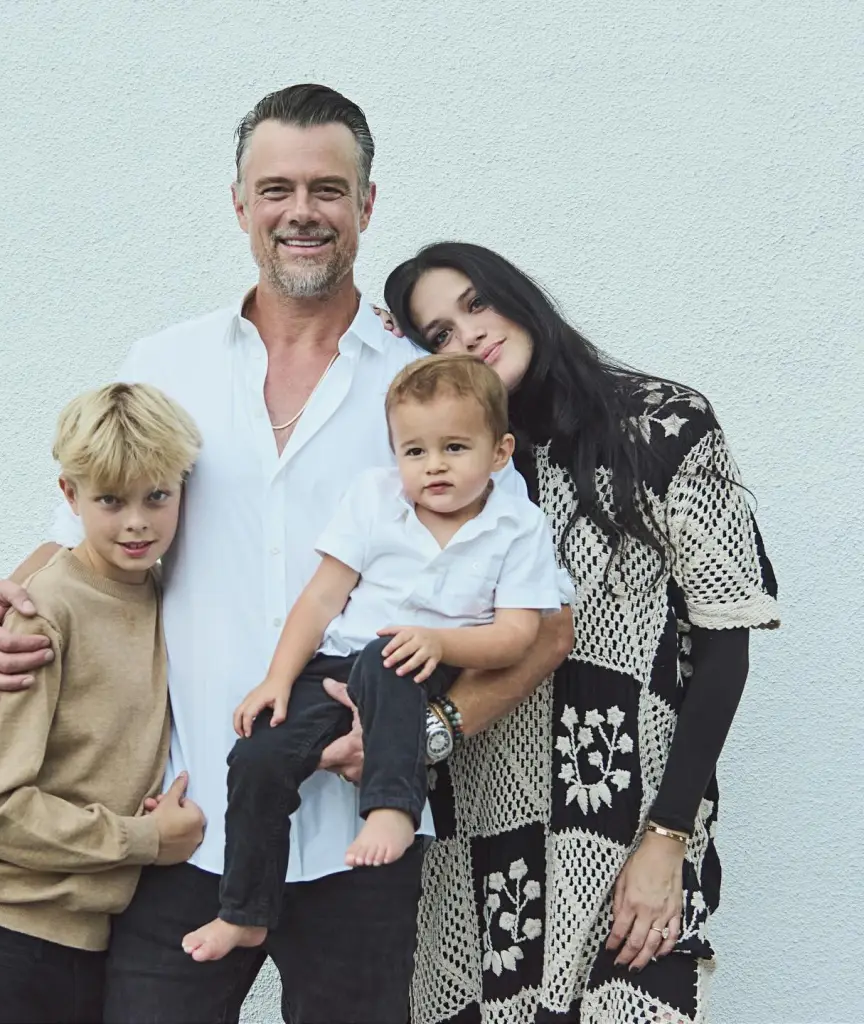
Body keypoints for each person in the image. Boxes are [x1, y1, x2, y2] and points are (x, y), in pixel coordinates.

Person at [0, 86, 573, 1024]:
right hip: (192, 826)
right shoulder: (169, 364)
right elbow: (79, 534)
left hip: (361, 840)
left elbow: (544, 622)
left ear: (367, 207)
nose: (302, 212)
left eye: (328, 189)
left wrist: (433, 731)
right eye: (275, 187)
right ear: (240, 205)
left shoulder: (430, 387)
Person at [383, 243, 780, 1024]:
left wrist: (668, 835)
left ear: (516, 294)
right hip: (476, 830)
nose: (465, 335)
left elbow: (726, 646)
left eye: (475, 303)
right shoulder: (455, 467)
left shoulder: (664, 424)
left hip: (631, 825)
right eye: (435, 335)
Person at [184, 354, 566, 963]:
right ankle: (245, 910)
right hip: (338, 664)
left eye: (455, 447)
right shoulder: (374, 499)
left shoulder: (519, 527)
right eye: (414, 451)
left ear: (500, 452)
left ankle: (392, 807)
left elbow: (518, 635)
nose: (433, 464)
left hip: (424, 664)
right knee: (258, 752)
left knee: (388, 655)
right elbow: (320, 598)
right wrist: (277, 680)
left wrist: (440, 642)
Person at [0, 383, 206, 1024]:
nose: (136, 522)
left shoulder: (157, 594)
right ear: (69, 496)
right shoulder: (44, 610)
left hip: (85, 950)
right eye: (109, 500)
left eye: (158, 496)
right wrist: (144, 839)